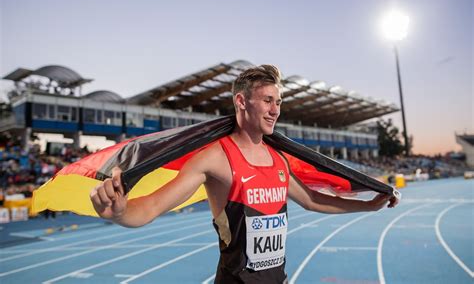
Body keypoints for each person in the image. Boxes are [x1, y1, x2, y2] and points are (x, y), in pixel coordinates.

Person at [90, 64, 398, 283]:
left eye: (278, 102)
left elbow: (313, 200)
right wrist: (118, 213)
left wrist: (368, 205)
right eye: (267, 100)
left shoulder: (278, 159)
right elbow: (152, 206)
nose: (275, 110)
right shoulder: (215, 158)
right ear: (241, 101)